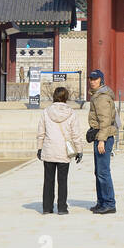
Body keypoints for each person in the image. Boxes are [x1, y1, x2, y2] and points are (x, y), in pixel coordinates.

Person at [35, 86, 83, 214]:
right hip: (63, 151)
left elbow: (41, 132)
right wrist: (79, 150)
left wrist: (39, 147)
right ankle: (62, 207)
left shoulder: (46, 112)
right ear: (66, 98)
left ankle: (47, 208)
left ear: (54, 97)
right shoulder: (71, 113)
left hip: (49, 149)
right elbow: (75, 134)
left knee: (48, 180)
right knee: (62, 181)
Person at [86, 69, 118, 214]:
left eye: (95, 79)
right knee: (98, 171)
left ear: (101, 80)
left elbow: (105, 121)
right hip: (99, 135)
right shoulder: (96, 96)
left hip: (103, 137)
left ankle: (109, 203)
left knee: (103, 172)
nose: (92, 81)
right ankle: (101, 201)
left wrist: (101, 141)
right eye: (91, 79)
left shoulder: (102, 97)